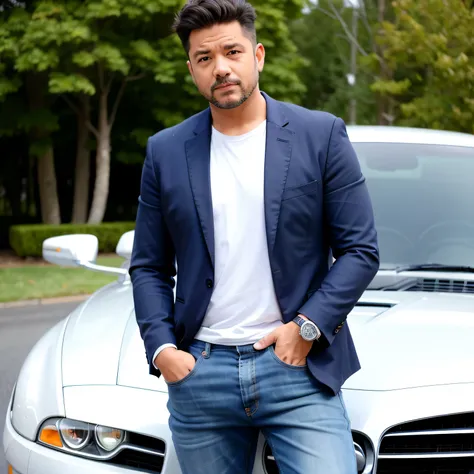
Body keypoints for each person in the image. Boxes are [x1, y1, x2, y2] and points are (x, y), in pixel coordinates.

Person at [129, 0, 379, 472]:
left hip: (297, 369)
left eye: (232, 52)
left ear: (257, 55)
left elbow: (360, 250)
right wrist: (163, 351)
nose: (221, 68)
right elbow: (148, 265)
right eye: (205, 58)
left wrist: (306, 328)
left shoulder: (319, 135)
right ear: (191, 69)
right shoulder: (165, 152)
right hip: (200, 372)